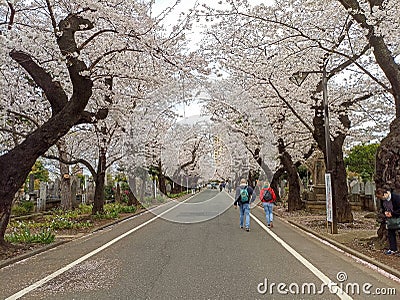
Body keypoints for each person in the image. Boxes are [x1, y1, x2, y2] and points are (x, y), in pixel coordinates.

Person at [375, 188, 400, 255]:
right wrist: (386, 213)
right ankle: (393, 249)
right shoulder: (383, 201)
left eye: (382, 197)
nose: (382, 199)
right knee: (391, 233)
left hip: (397, 217)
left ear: (385, 194)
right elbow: (383, 209)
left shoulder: (396, 198)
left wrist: (393, 213)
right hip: (390, 220)